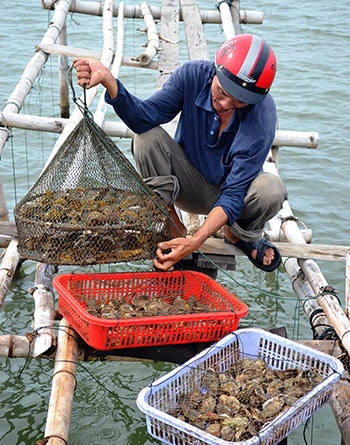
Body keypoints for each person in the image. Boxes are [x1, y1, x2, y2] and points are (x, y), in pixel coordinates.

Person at [73, 33, 287, 272]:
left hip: (235, 195)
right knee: (146, 137)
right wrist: (109, 81)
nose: (226, 104)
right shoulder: (192, 76)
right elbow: (145, 117)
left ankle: (237, 233)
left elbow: (235, 193)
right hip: (188, 185)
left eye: (239, 102)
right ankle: (173, 226)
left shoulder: (262, 115)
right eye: (222, 92)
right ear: (215, 71)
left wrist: (195, 242)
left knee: (272, 190)